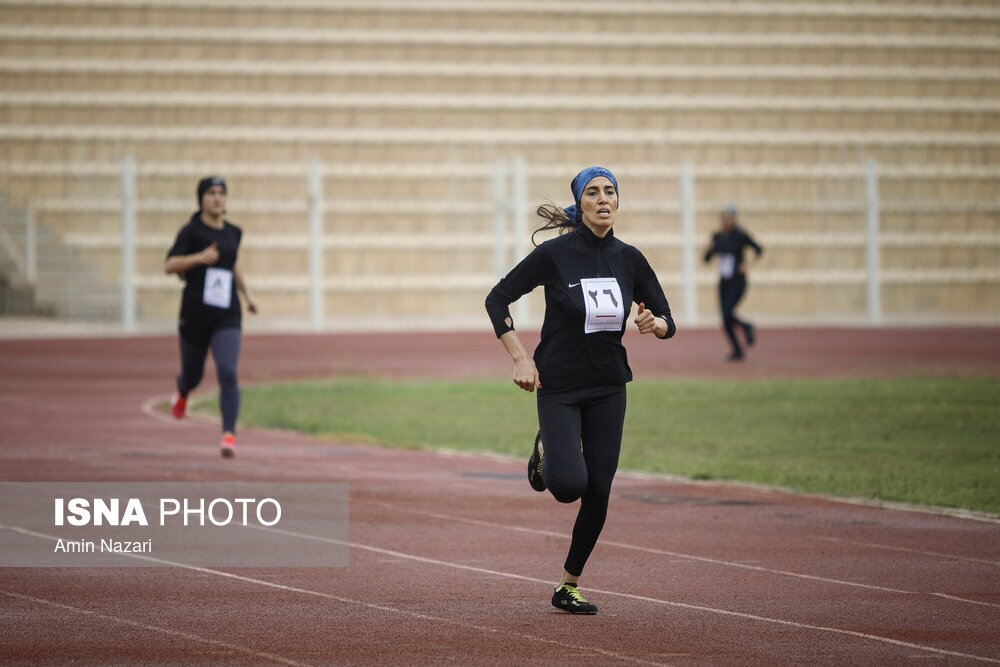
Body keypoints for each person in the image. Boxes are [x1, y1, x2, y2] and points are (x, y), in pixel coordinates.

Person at [485, 166, 676, 614]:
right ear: (581, 203)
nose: (604, 199)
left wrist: (656, 324)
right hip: (560, 384)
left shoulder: (630, 258)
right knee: (569, 486)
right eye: (593, 193)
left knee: (600, 490)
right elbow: (498, 297)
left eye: (611, 192)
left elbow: (668, 318)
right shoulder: (556, 254)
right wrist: (520, 357)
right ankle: (547, 453)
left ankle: (567, 584)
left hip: (609, 385)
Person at [165, 176, 257, 457]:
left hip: (227, 314)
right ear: (201, 199)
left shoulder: (233, 233)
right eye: (211, 193)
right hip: (195, 315)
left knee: (228, 372)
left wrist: (247, 296)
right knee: (193, 376)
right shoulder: (191, 232)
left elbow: (233, 265)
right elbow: (169, 264)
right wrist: (198, 258)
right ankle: (183, 391)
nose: (217, 198)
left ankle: (228, 434)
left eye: (221, 193)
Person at [703, 205, 762, 361]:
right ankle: (737, 350)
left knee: (728, 313)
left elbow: (758, 250)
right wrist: (709, 249)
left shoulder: (740, 235)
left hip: (738, 281)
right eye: (723, 218)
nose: (725, 221)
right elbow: (706, 259)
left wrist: (747, 264)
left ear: (734, 219)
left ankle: (747, 327)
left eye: (728, 217)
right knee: (725, 319)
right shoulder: (717, 237)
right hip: (724, 282)